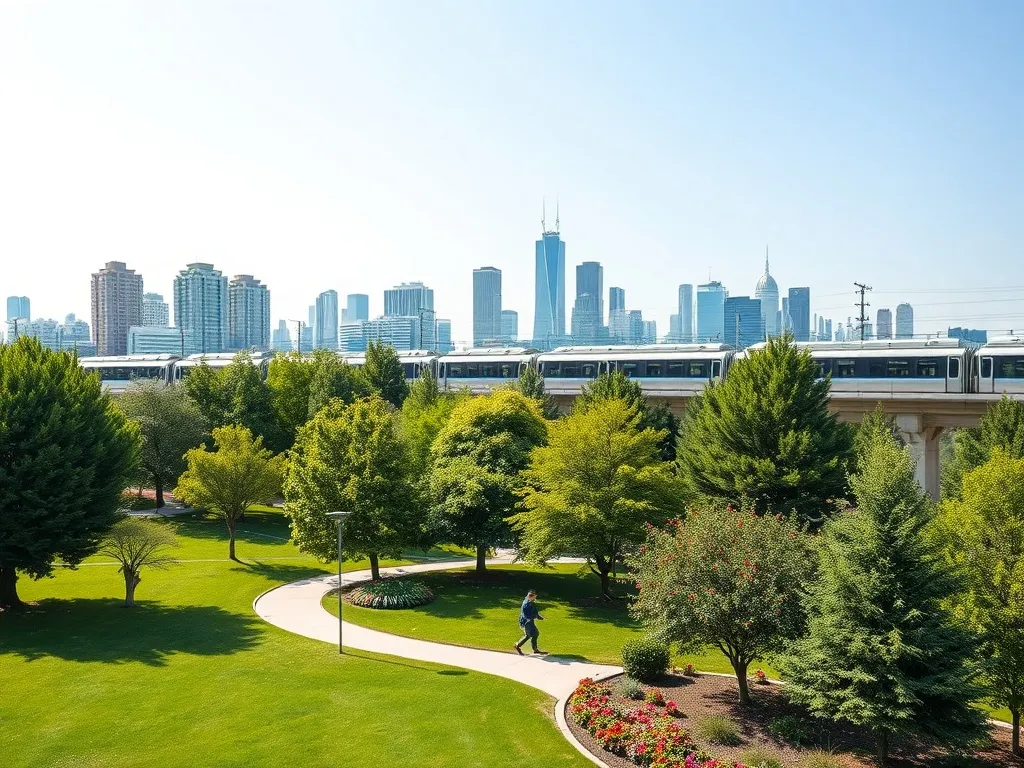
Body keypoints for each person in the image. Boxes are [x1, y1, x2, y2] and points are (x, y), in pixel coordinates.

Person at [515, 590, 545, 655]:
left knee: (535, 633)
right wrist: (534, 617)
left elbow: (535, 612)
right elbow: (525, 616)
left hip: (530, 621)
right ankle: (517, 646)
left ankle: (535, 649)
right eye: (534, 597)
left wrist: (538, 616)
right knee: (529, 635)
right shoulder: (526, 604)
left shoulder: (532, 603)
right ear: (530, 597)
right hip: (526, 622)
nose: (535, 598)